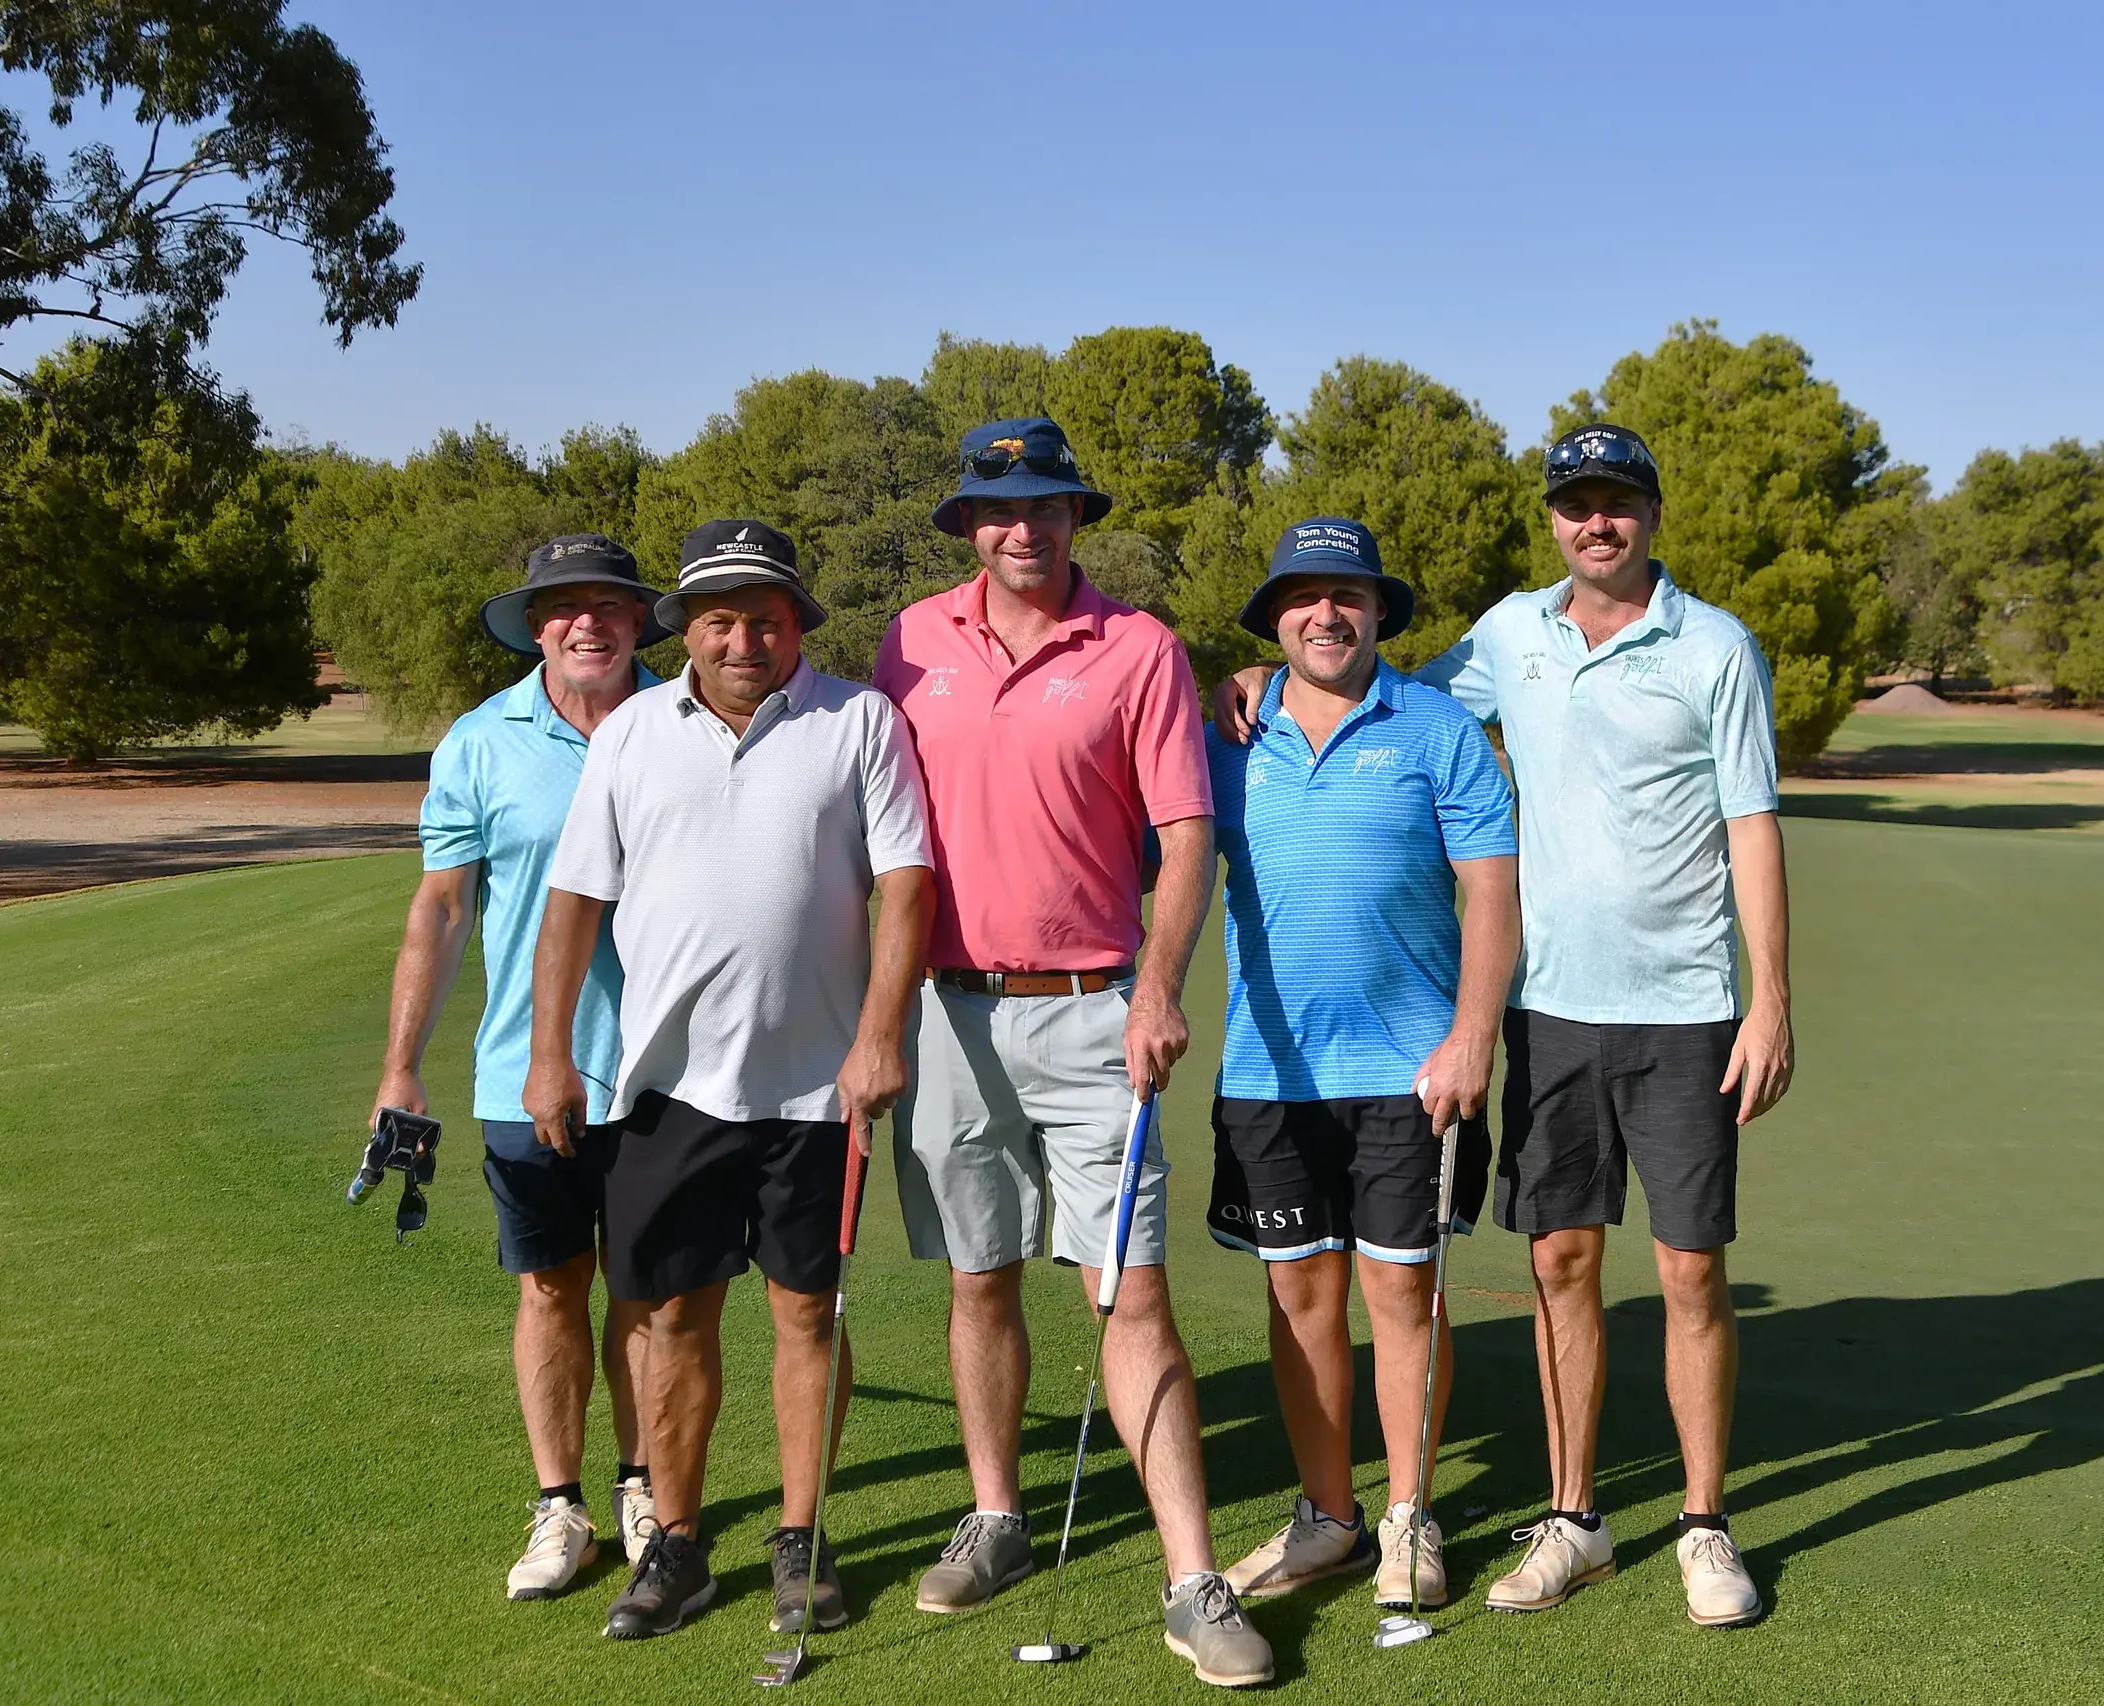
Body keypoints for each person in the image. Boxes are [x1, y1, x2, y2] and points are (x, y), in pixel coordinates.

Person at [1215, 423, 1793, 1627]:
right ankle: (1575, 1520)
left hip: (1685, 1001)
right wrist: (1261, 683)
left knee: (1689, 1268)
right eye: (1577, 503)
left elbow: (1750, 821)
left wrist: (1772, 994)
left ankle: (1702, 1524)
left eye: (1618, 501)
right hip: (1550, 1008)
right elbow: (1381, 698)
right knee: (1558, 1262)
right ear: (1553, 520)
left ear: (1649, 512)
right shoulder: (1506, 638)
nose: (1598, 522)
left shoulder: (1715, 646)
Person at [871, 418, 1274, 1688]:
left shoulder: (1140, 647)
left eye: (1045, 504)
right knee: (978, 1277)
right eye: (998, 508)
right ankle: (996, 1515)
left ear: (1072, 518)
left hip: (1098, 1009)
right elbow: (883, 831)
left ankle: (1191, 1577)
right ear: (969, 526)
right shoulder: (910, 643)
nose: (1022, 527)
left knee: (1130, 1294)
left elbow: (1184, 838)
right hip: (948, 1011)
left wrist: (1157, 988)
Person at [526, 520, 935, 1641]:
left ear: (797, 618)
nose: (744, 636)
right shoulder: (630, 736)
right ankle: (680, 1543)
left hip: (817, 1085)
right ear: (686, 628)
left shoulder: (859, 717)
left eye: (765, 615)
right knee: (668, 1317)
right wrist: (549, 1051)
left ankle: (802, 1537)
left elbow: (905, 885)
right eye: (719, 617)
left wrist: (880, 1032)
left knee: (807, 1314)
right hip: (667, 1087)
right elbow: (574, 902)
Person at [1201, 519, 1521, 1616]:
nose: (1326, 614)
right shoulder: (1224, 737)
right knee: (1298, 1296)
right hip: (1269, 1068)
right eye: (1303, 597)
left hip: (1413, 1066)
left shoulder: (1438, 727)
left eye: (1349, 595)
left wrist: (1473, 1031)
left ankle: (1409, 1513)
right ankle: (1328, 1513)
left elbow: (1490, 888)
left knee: (1402, 1291)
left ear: (1380, 611)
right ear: (1274, 619)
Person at [371, 534, 668, 1602]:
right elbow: (443, 909)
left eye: (609, 604)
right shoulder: (479, 739)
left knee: (649, 1291)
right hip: (522, 1074)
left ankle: (644, 1487)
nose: (587, 622)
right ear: (535, 624)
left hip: (667, 1072)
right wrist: (401, 1065)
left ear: (641, 620)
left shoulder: (686, 721)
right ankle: (560, 1503)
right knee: (551, 1287)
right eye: (563, 606)